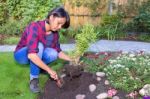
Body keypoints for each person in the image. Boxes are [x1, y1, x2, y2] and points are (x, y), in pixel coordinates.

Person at [14, 7, 72, 93]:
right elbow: (32, 55)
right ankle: (34, 79)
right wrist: (49, 70)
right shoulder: (34, 27)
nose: (60, 27)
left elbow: (58, 52)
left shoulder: (55, 34)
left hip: (36, 54)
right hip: (22, 55)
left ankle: (39, 67)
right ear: (52, 17)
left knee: (53, 53)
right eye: (59, 23)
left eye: (61, 25)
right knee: (39, 46)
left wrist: (72, 59)